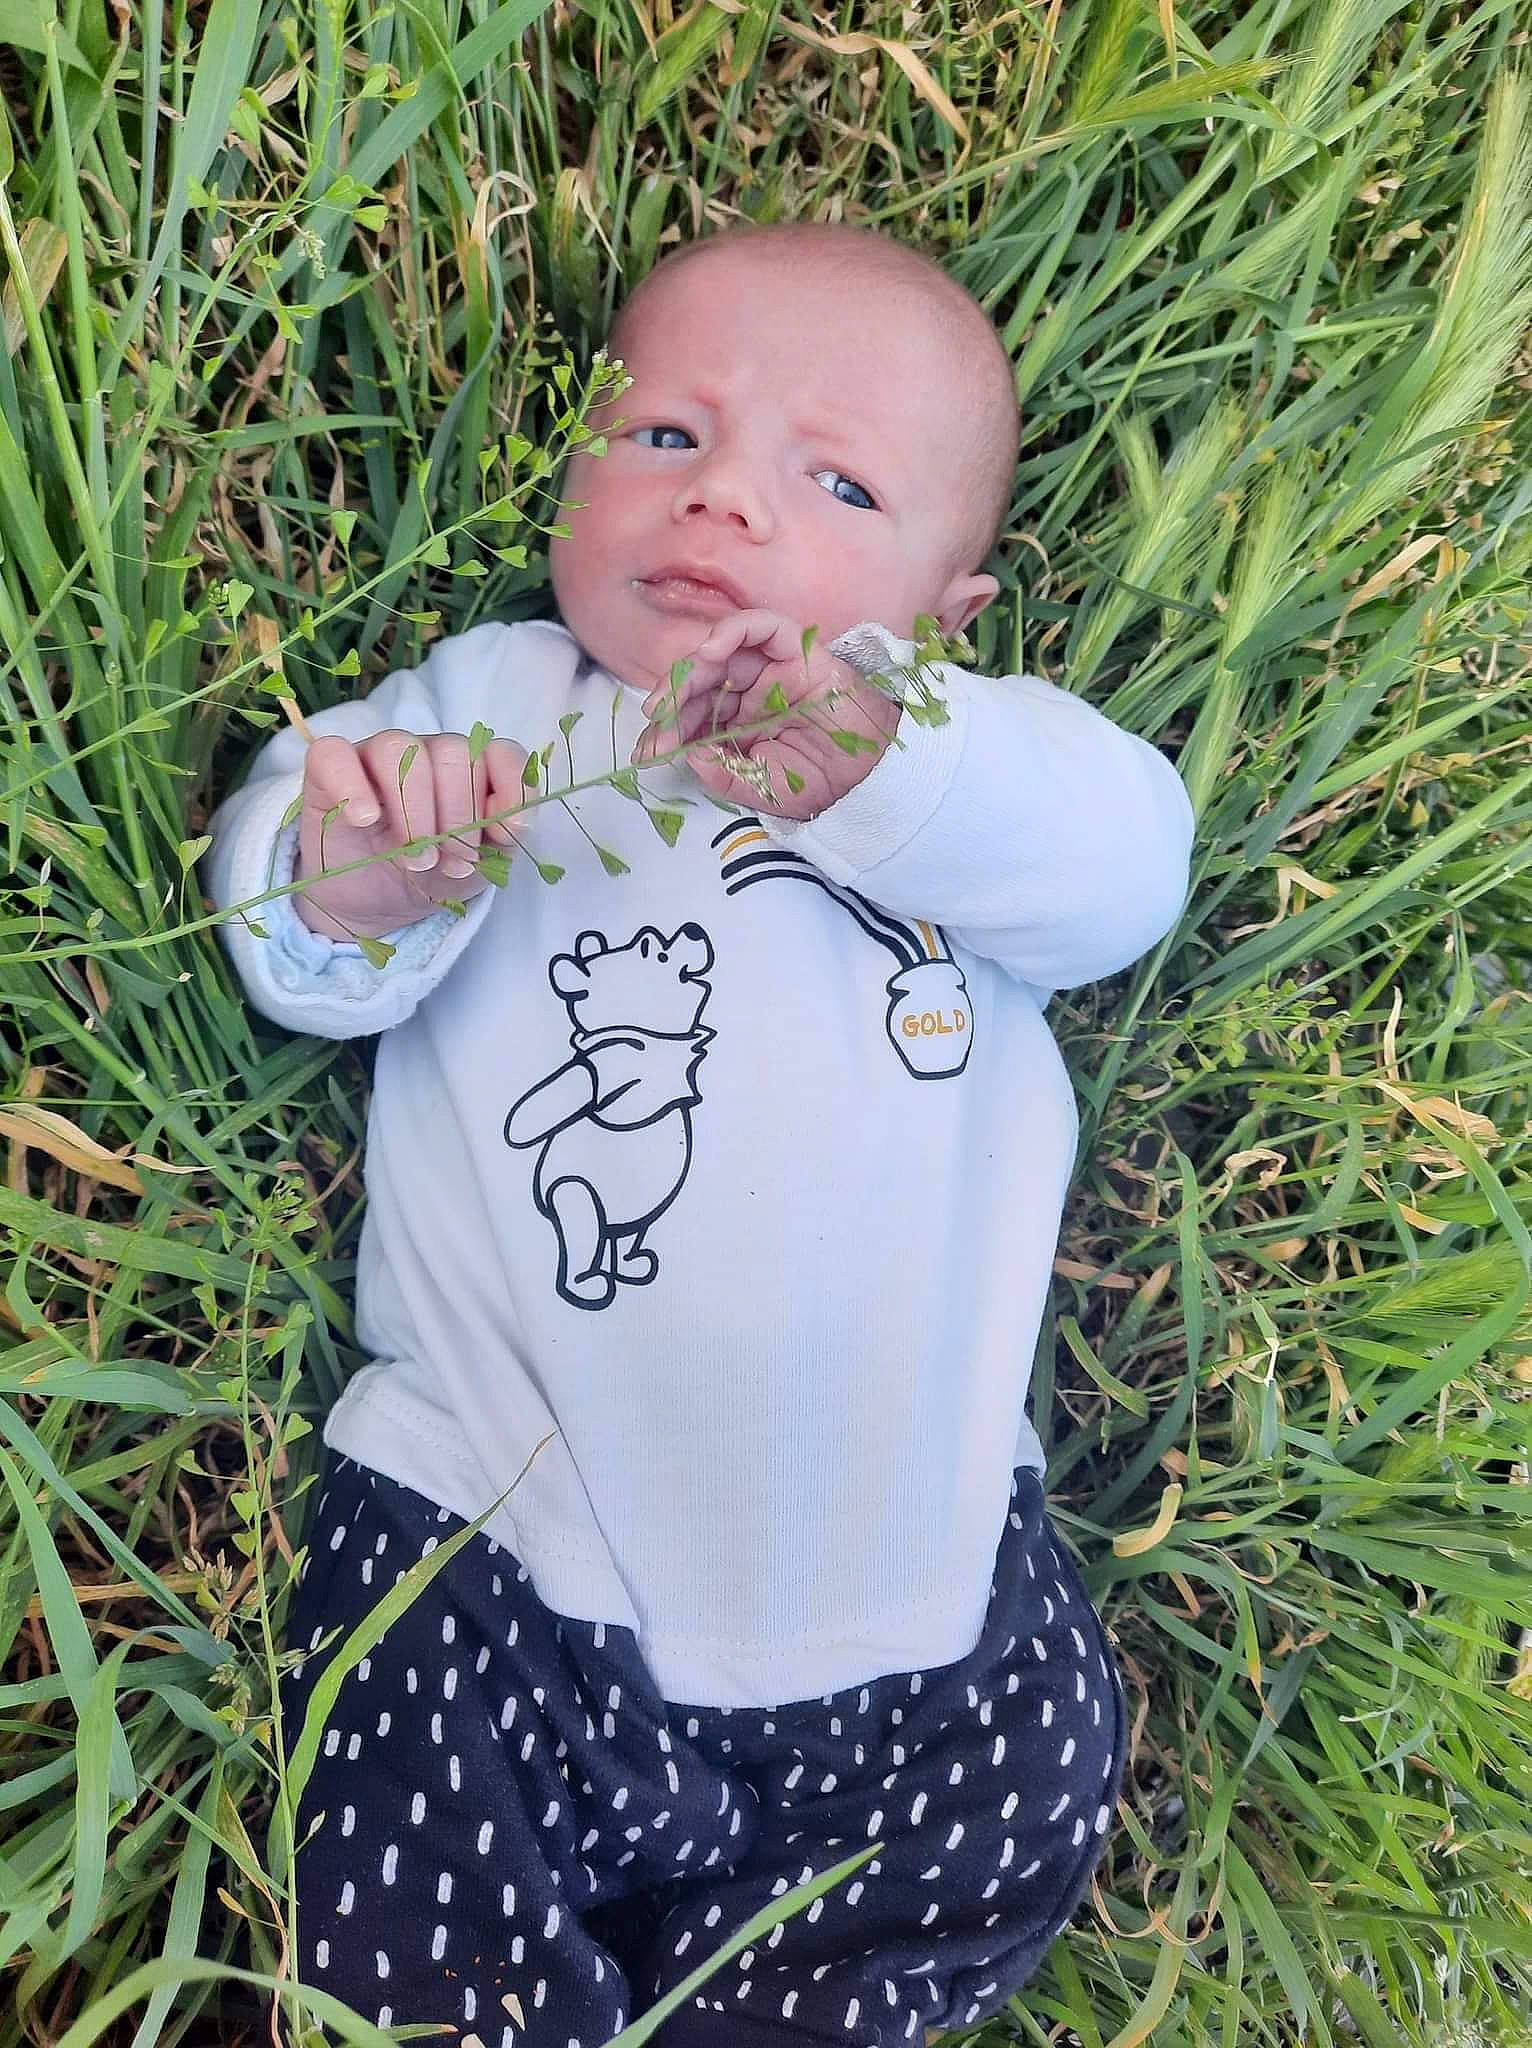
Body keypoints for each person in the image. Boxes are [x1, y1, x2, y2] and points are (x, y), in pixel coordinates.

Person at [204, 220, 1193, 2048]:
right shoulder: (495, 705)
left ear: (948, 611)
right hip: (495, 1544)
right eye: (666, 436)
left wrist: (899, 762)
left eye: (833, 478)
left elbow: (1133, 868)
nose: (728, 499)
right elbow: (281, 921)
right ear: (570, 470)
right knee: (390, 1936)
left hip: (924, 1597)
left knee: (1035, 1784)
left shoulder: (966, 768)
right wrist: (355, 878)